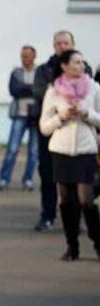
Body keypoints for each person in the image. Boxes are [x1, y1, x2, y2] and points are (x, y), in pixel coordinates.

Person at [39, 49, 100, 261]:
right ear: (64, 66)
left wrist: (86, 113)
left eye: (82, 62)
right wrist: (61, 117)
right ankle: (72, 245)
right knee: (66, 201)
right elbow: (44, 127)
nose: (81, 66)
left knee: (86, 200)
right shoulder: (53, 91)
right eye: (76, 62)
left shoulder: (94, 87)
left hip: (86, 149)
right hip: (61, 150)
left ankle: (97, 241)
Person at [32, 31, 93, 232]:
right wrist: (61, 105)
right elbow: (39, 92)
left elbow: (90, 97)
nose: (62, 46)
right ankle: (48, 215)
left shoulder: (85, 69)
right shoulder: (44, 69)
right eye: (58, 43)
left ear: (72, 44)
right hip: (53, 130)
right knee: (48, 175)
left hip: (80, 133)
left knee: (79, 182)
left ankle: (76, 219)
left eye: (66, 42)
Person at [0, 46, 39, 191]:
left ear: (34, 56)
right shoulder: (16, 72)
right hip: (19, 115)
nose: (23, 59)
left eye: (26, 56)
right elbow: (14, 90)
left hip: (35, 116)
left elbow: (40, 90)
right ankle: (4, 179)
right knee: (12, 148)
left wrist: (25, 88)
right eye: (22, 56)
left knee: (34, 151)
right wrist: (31, 88)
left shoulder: (39, 72)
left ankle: (27, 179)